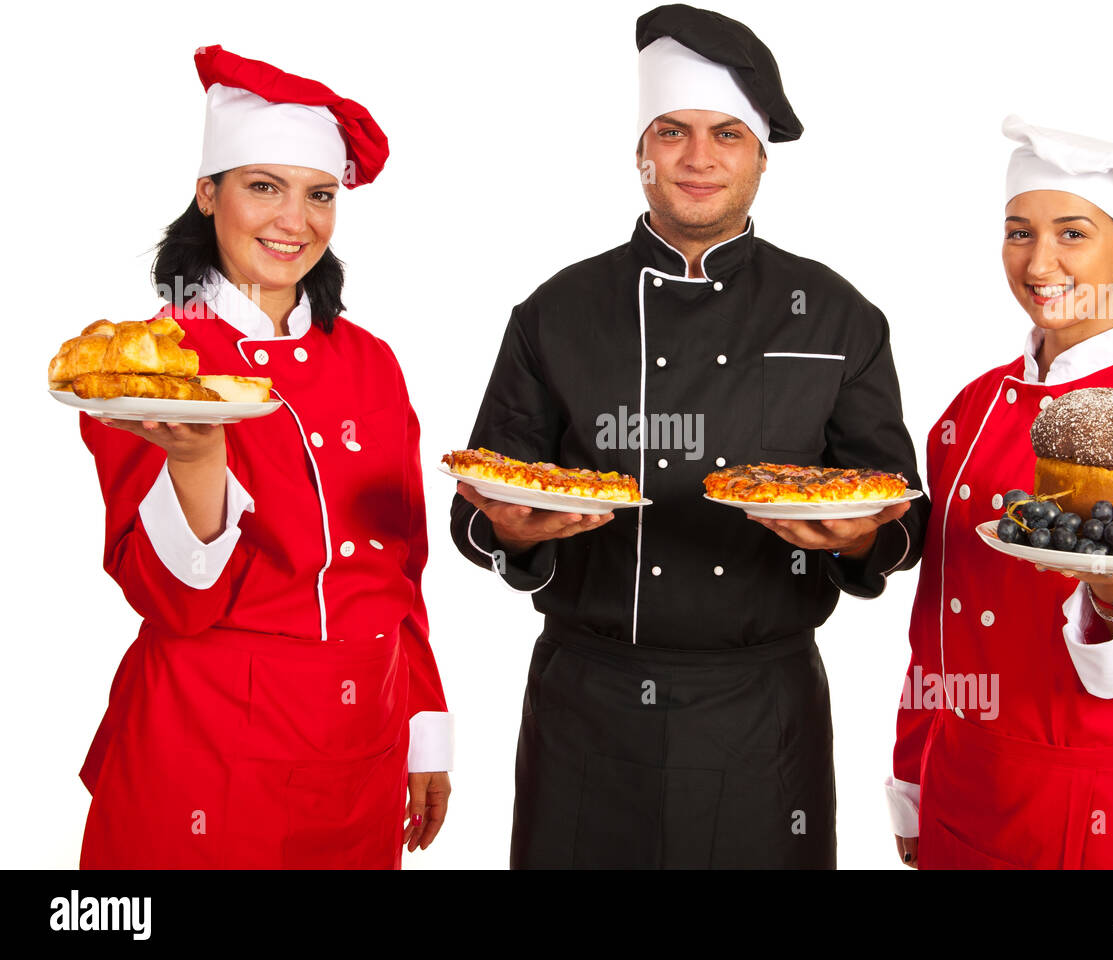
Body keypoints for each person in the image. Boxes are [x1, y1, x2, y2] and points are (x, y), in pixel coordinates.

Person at [450, 3, 928, 868]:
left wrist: (865, 538)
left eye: (726, 135)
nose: (699, 159)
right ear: (640, 148)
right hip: (585, 707)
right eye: (672, 132)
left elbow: (898, 506)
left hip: (761, 709)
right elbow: (483, 494)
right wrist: (509, 533)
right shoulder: (556, 312)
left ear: (760, 154)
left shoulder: (835, 314)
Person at [75, 45, 452, 868]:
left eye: (319, 194)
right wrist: (200, 462)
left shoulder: (372, 362)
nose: (295, 220)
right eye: (262, 187)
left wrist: (426, 729)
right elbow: (170, 600)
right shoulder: (153, 364)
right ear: (207, 194)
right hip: (206, 746)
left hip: (363, 745)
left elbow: (400, 568)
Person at [886, 115, 1113, 868]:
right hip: (962, 780)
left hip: (1102, 806)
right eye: (1019, 231)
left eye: (1073, 234)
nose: (1039, 260)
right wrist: (912, 772)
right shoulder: (972, 407)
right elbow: (937, 620)